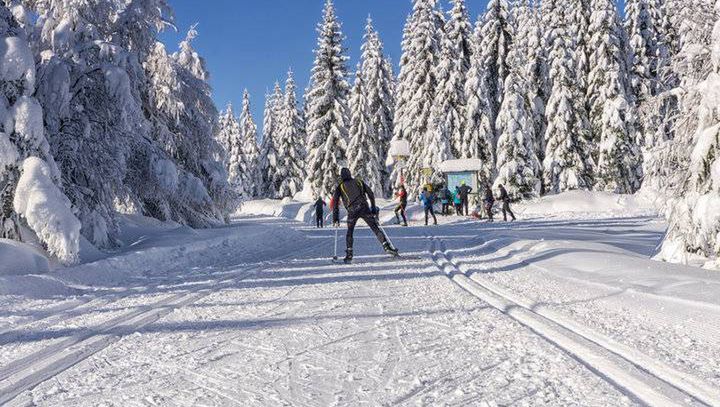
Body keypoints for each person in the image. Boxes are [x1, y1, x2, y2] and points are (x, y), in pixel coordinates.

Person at [333, 167, 398, 263]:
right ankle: (386, 246)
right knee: (375, 228)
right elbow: (371, 193)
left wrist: (335, 218)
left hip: (352, 211)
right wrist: (373, 208)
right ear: (350, 174)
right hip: (364, 208)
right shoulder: (359, 182)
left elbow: (335, 203)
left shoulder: (340, 186)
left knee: (350, 232)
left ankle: (349, 254)